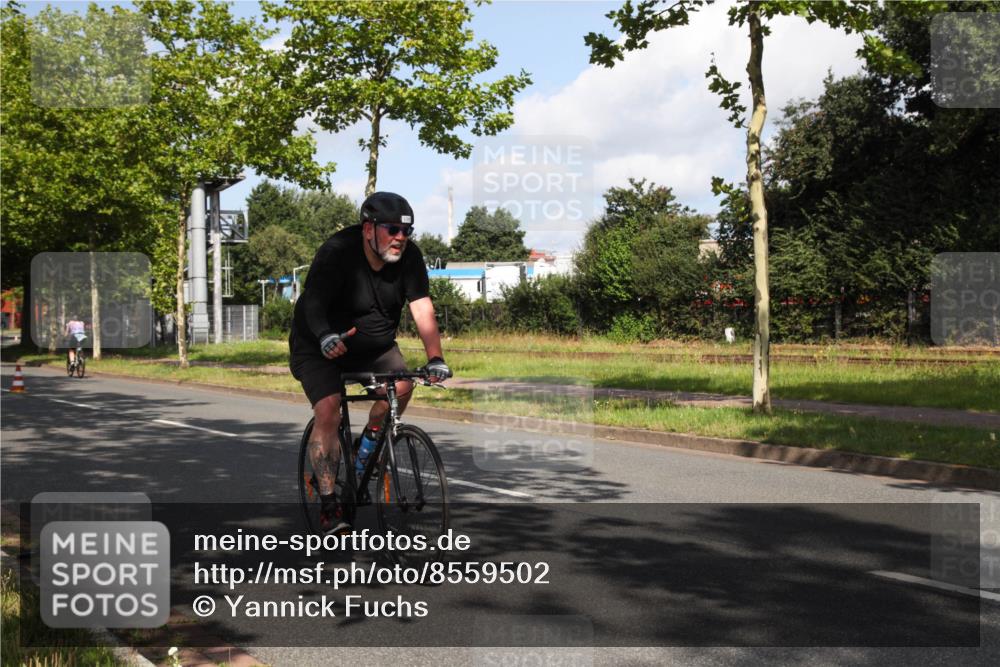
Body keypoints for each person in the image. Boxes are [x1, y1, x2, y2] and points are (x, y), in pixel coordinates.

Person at [289, 192, 452, 534]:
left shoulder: (410, 257)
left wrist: (435, 357)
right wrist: (324, 335)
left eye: (406, 231)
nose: (400, 238)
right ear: (368, 229)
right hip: (320, 344)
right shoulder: (337, 252)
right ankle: (329, 504)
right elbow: (313, 302)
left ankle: (367, 446)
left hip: (374, 346)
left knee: (403, 385)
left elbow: (421, 307)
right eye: (392, 229)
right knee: (329, 410)